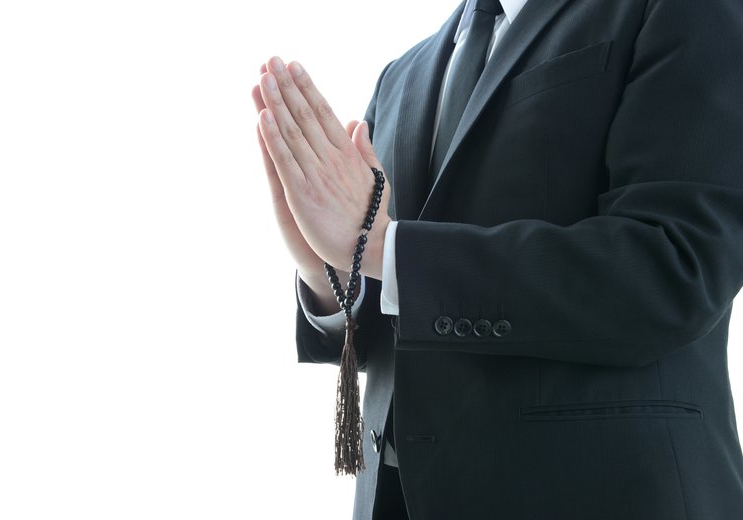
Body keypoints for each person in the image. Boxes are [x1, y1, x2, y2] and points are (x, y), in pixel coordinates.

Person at [252, 0, 743, 518]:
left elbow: (674, 268)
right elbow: (409, 314)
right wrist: (327, 269)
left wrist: (381, 245)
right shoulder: (401, 75)